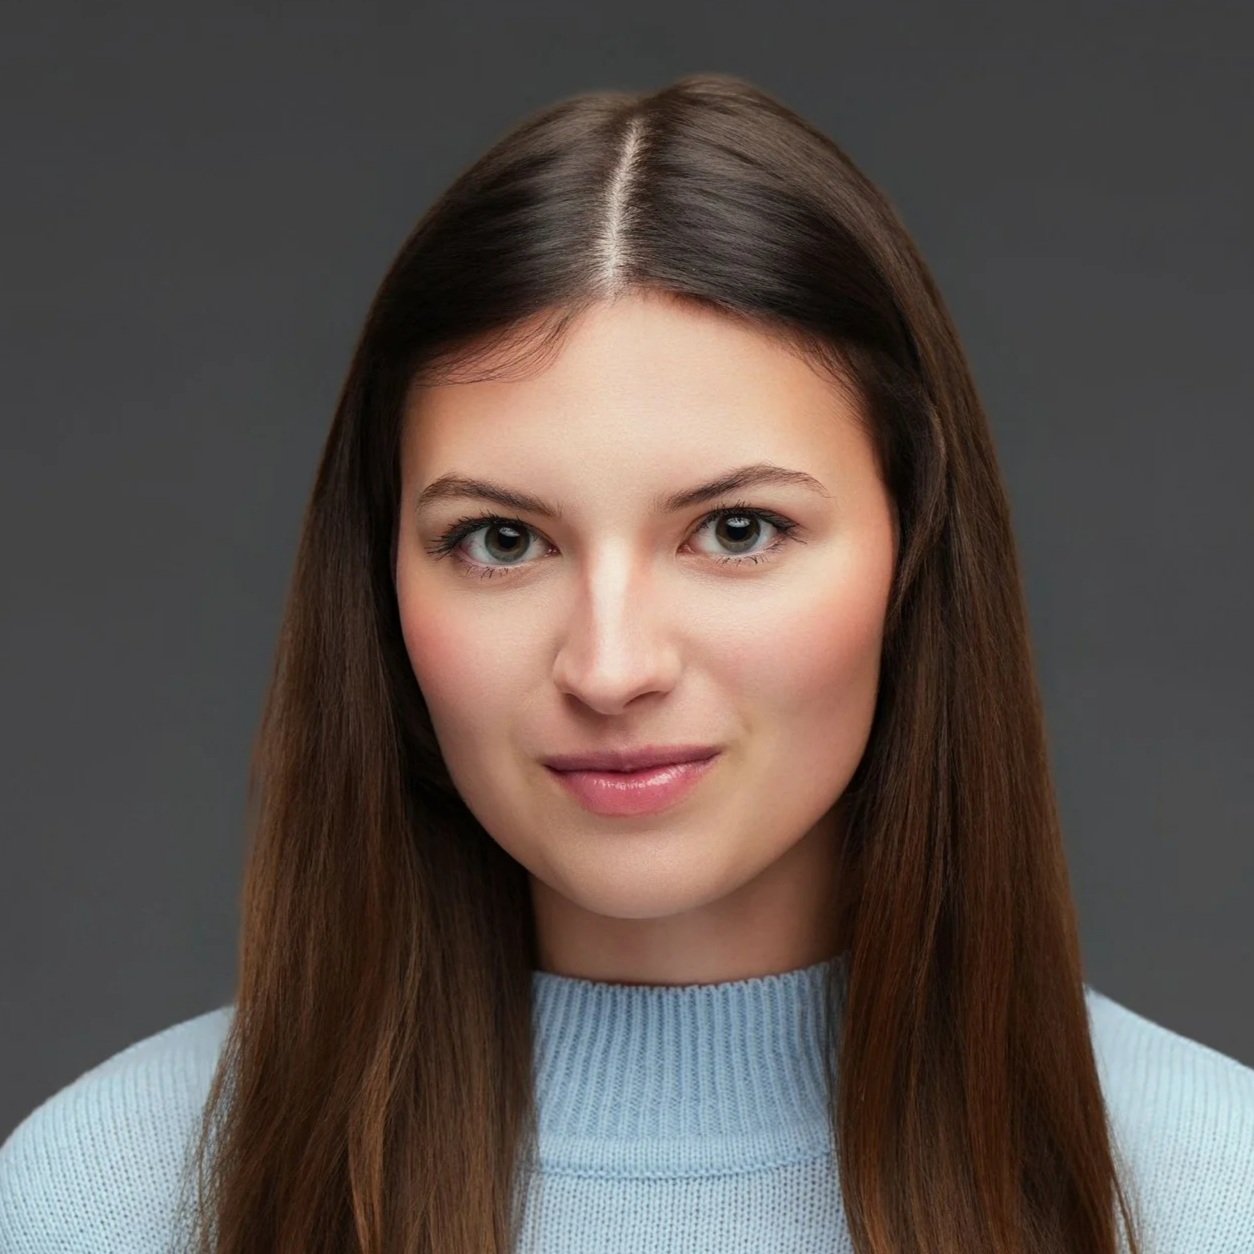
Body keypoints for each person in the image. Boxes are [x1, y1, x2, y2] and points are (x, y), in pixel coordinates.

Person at [1, 71, 1251, 1254]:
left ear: (914, 552)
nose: (610, 667)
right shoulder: (112, 1200)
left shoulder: (1210, 1195)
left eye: (736, 530)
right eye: (501, 540)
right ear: (380, 589)